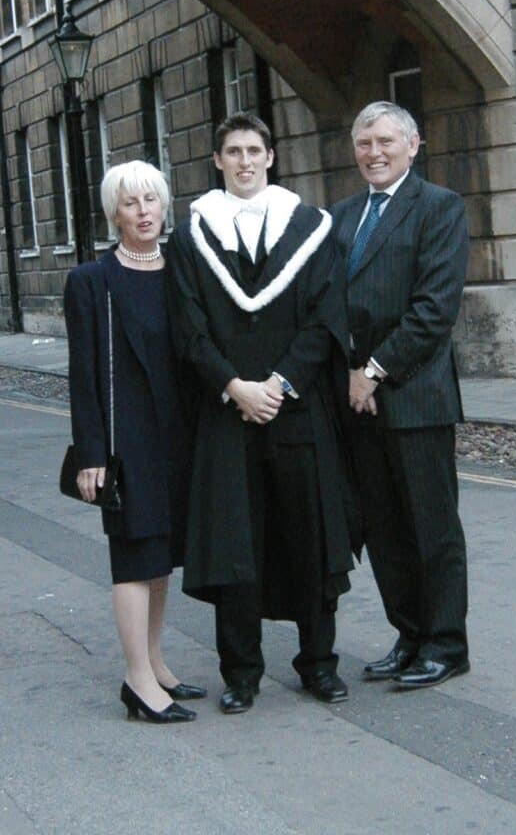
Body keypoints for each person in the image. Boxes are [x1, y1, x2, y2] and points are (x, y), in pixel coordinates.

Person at [166, 111, 355, 714]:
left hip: (296, 409)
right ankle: (241, 673)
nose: (244, 162)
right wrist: (234, 387)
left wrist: (278, 383)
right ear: (217, 161)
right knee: (234, 546)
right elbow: (188, 328)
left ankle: (318, 664)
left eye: (254, 150)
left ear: (270, 157)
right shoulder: (191, 238)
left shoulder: (312, 229)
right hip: (228, 414)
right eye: (233, 152)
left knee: (310, 539)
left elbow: (325, 319)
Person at [330, 100, 470, 690]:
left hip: (415, 397)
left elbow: (434, 309)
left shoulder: (439, 207)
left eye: (386, 141)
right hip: (357, 402)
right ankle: (409, 635)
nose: (375, 153)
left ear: (413, 146)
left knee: (431, 528)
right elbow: (329, 302)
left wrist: (374, 370)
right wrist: (346, 372)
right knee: (383, 531)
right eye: (365, 144)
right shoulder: (341, 216)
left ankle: (446, 644)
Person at [64, 160, 203, 723]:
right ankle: (137, 679)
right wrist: (91, 454)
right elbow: (83, 376)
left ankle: (155, 662)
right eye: (130, 203)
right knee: (133, 556)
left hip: (177, 435)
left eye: (151, 200)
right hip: (127, 442)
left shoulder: (181, 272)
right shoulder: (92, 281)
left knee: (162, 556)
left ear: (164, 205)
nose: (143, 212)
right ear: (114, 214)